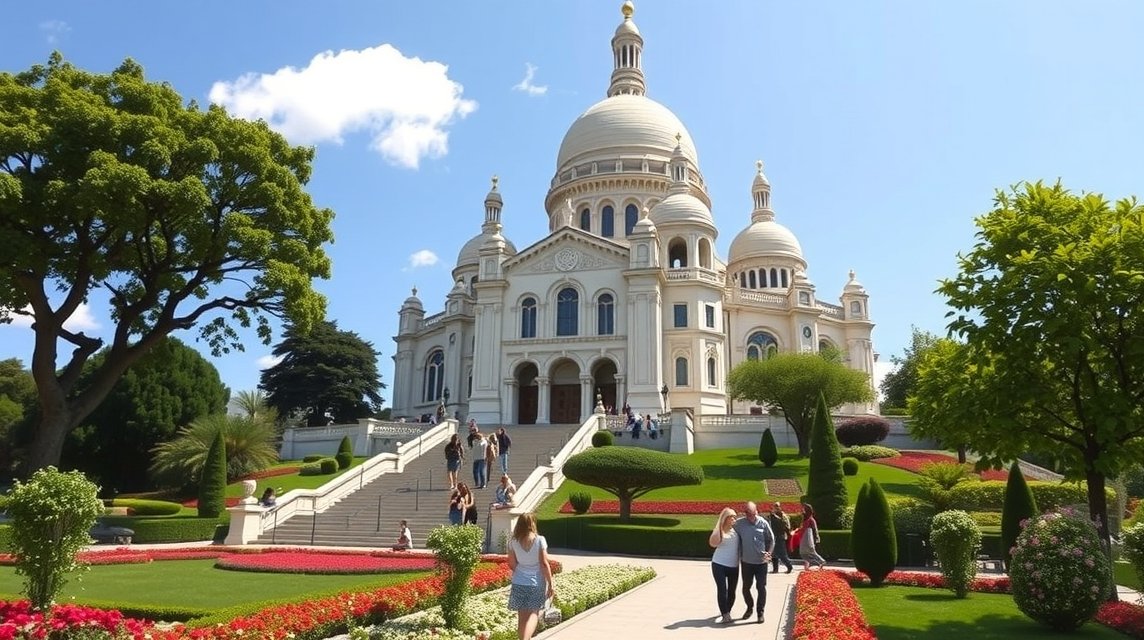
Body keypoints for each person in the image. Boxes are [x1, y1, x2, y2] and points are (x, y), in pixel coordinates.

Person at [507, 512, 556, 640]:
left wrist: (522, 571)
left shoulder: (513, 541)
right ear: (533, 523)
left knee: (522, 618)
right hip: (536, 582)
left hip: (518, 582)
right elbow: (544, 564)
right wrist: (551, 583)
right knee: (534, 613)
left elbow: (511, 563)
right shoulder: (540, 540)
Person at [732, 501, 775, 624]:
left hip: (761, 563)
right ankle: (749, 607)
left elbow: (772, 540)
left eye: (752, 513)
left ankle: (760, 612)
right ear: (745, 513)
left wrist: (769, 553)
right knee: (746, 588)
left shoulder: (763, 523)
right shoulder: (740, 523)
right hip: (747, 562)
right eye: (747, 513)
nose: (750, 516)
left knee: (761, 587)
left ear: (757, 511)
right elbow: (728, 527)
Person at [708, 507, 740, 624]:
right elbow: (712, 543)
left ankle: (728, 611)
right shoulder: (719, 530)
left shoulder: (737, 531)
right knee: (722, 590)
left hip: (734, 566)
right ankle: (725, 614)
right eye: (732, 517)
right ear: (725, 518)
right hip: (719, 564)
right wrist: (719, 530)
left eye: (735, 517)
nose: (734, 519)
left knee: (732, 591)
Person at [767, 502, 794, 573]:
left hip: (780, 536)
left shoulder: (783, 516)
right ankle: (775, 569)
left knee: (782, 553)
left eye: (777, 506)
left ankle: (789, 566)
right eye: (775, 506)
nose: (776, 508)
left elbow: (787, 526)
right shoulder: (772, 516)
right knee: (774, 554)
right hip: (774, 536)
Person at [799, 503, 826, 570]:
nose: (802, 510)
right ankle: (818, 562)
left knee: (810, 551)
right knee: (805, 552)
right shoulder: (804, 518)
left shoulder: (811, 520)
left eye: (804, 509)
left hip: (809, 539)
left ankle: (820, 562)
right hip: (804, 538)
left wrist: (816, 539)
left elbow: (815, 530)